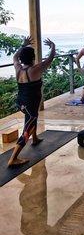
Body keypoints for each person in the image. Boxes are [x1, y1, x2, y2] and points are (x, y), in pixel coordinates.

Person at [8, 36, 56, 167]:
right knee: (26, 131)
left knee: (32, 118)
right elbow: (50, 59)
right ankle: (13, 159)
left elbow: (14, 58)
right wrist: (53, 47)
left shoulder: (18, 68)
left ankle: (35, 139)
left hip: (21, 103)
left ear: (22, 59)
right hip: (30, 105)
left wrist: (23, 46)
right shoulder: (35, 69)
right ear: (33, 58)